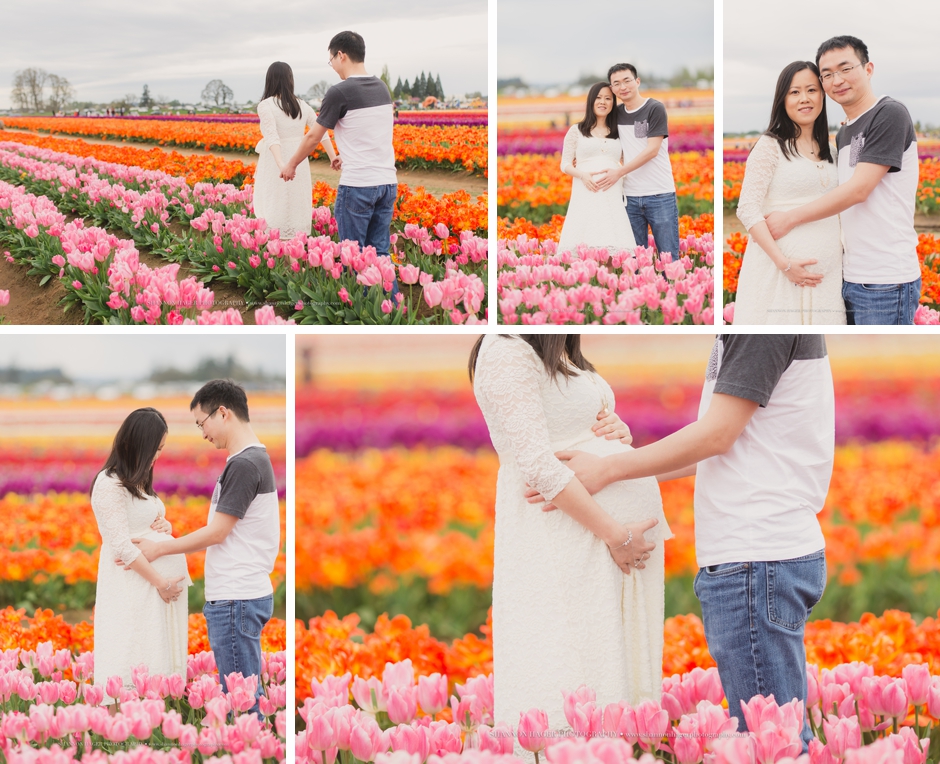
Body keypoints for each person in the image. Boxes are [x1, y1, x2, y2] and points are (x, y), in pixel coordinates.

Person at [528, 335, 833, 752]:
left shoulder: (760, 329)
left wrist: (610, 469)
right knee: (779, 735)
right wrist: (613, 463)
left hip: (754, 556)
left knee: (771, 744)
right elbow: (724, 446)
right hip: (766, 554)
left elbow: (716, 436)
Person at [470, 334, 670, 752]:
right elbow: (538, 465)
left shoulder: (561, 348)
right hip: (572, 544)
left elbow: (572, 427)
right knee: (576, 667)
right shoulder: (507, 348)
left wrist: (616, 433)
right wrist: (616, 534)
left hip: (601, 546)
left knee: (614, 671)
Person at [129, 380, 280, 718]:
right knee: (245, 694)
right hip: (242, 594)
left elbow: (217, 533)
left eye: (202, 423)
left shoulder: (243, 464)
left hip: (235, 598)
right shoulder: (254, 459)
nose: (202, 433)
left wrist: (159, 549)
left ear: (223, 413)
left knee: (241, 702)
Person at [765, 36, 920, 325]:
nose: (837, 80)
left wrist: (790, 218)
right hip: (850, 276)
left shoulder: (888, 114)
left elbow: (858, 190)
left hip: (885, 278)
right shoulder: (845, 132)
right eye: (827, 74)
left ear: (868, 69)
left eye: (845, 68)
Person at [281, 31, 399, 293]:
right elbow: (373, 133)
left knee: (353, 256)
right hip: (387, 184)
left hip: (358, 186)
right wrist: (346, 154)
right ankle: (390, 308)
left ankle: (361, 313)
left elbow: (313, 137)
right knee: (380, 253)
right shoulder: (381, 88)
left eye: (331, 60)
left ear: (341, 55)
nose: (332, 66)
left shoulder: (340, 92)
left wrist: (291, 165)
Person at [733, 62, 845, 325]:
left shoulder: (832, 151)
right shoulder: (770, 146)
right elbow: (747, 209)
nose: (804, 99)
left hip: (826, 283)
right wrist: (784, 264)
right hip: (778, 276)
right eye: (795, 92)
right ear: (782, 99)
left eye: (812, 90)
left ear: (822, 95)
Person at [91, 407, 189, 703]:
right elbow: (121, 545)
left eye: (160, 449)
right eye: (154, 449)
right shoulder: (109, 485)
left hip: (154, 589)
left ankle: (154, 720)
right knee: (131, 649)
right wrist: (161, 582)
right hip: (135, 588)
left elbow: (144, 522)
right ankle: (121, 731)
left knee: (153, 650)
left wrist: (164, 526)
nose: (157, 456)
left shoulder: (138, 482)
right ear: (136, 444)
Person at [594, 64, 680, 258]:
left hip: (659, 194)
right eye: (616, 83)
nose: (622, 87)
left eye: (627, 81)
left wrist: (619, 171)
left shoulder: (654, 108)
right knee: (635, 260)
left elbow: (652, 150)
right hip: (629, 197)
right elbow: (603, 138)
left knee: (669, 257)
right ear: (612, 88)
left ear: (637, 81)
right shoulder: (615, 114)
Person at [253, 61, 339, 239]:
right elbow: (320, 131)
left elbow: (272, 137)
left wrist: (281, 164)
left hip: (276, 158)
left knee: (274, 198)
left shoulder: (266, 105)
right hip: (298, 158)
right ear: (290, 80)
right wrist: (333, 156)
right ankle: (297, 243)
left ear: (269, 80)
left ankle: (275, 242)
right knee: (296, 199)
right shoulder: (302, 105)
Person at [557, 82, 637, 255]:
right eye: (599, 98)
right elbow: (565, 164)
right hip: (586, 190)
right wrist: (583, 175)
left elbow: (627, 161)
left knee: (610, 241)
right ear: (591, 101)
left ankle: (606, 280)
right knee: (586, 240)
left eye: (608, 98)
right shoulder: (576, 130)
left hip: (611, 192)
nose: (603, 102)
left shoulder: (618, 132)